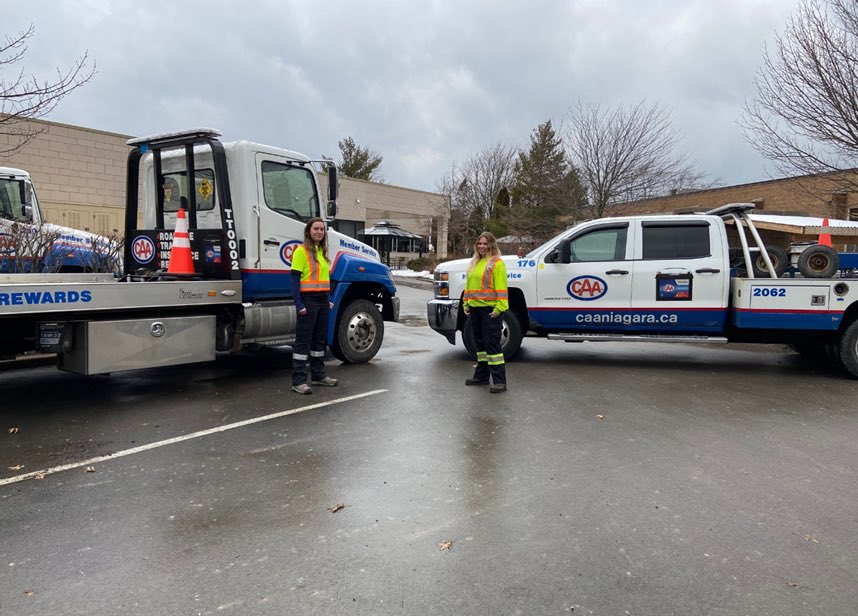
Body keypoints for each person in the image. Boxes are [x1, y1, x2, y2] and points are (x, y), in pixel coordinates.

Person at [289, 218, 338, 394]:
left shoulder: (321, 251)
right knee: (303, 341)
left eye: (322, 229)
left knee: (319, 340)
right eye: (316, 229)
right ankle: (299, 381)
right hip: (308, 300)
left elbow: (323, 278)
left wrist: (328, 299)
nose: (319, 232)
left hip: (322, 300)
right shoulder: (301, 251)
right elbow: (294, 279)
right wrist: (298, 303)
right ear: (308, 231)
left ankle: (318, 376)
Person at [462, 231, 509, 393]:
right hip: (475, 309)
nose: (482, 246)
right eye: (480, 243)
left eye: (485, 243)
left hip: (490, 310)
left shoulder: (497, 263)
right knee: (480, 345)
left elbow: (502, 289)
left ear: (491, 245)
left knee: (492, 345)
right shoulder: (475, 262)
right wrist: (466, 303)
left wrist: (499, 309)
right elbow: (469, 286)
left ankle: (499, 381)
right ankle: (481, 376)